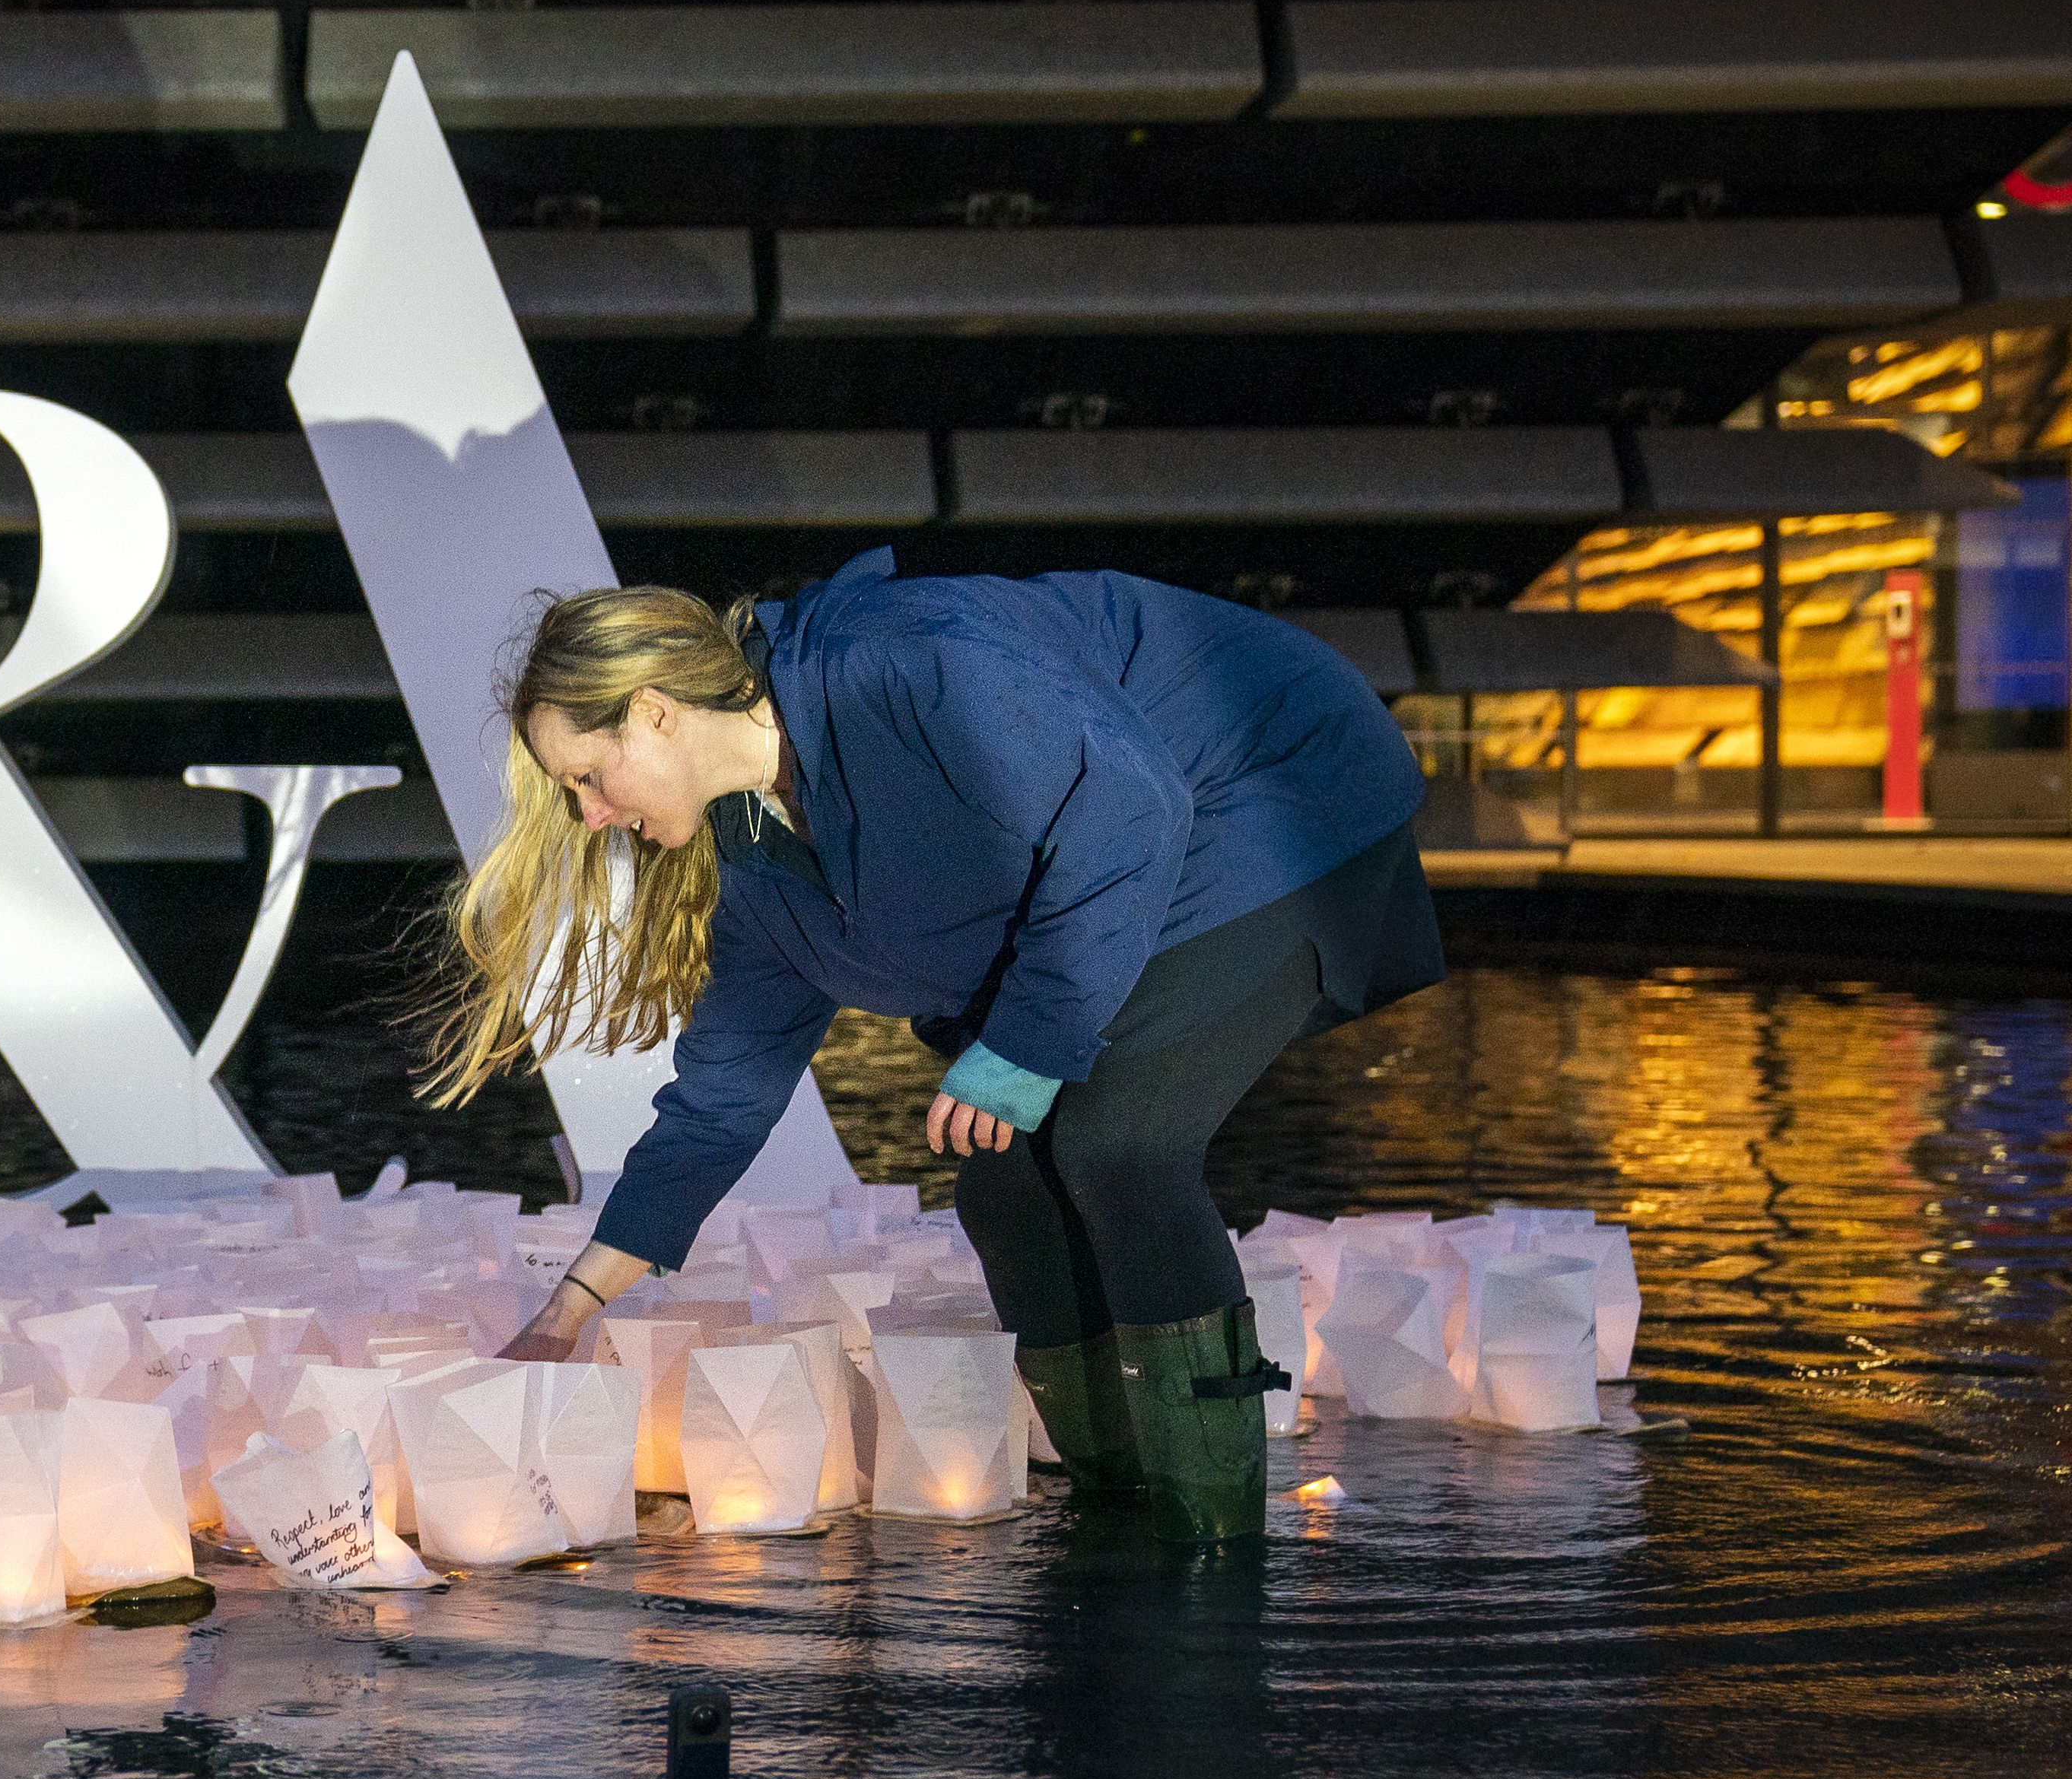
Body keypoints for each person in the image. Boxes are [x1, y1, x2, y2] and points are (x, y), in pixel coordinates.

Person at [424, 548, 1441, 1548]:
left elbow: (1127, 806)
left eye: (588, 777)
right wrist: (566, 1313)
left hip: (1278, 790)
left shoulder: (906, 662)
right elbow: (720, 1101)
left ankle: (1209, 1534)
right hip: (1147, 859)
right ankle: (1120, 1512)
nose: (590, 814)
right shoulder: (761, 866)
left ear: (653, 709)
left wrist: (1024, 1048)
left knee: (1117, 1146)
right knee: (1002, 1184)